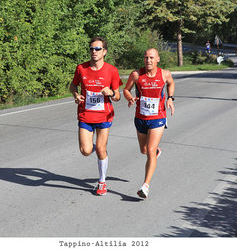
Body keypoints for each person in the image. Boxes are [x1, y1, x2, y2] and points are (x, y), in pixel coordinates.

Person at [69, 37, 122, 196]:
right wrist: (76, 95)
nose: (94, 51)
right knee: (85, 150)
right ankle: (96, 150)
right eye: (92, 48)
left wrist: (111, 93)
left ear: (104, 52)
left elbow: (118, 95)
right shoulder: (81, 68)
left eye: (98, 49)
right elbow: (73, 85)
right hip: (85, 115)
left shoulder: (111, 70)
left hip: (104, 115)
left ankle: (102, 181)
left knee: (100, 148)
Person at [123, 48, 175, 199]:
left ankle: (145, 186)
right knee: (144, 150)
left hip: (158, 117)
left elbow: (171, 83)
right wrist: (130, 98)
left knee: (150, 151)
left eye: (152, 58)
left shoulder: (164, 74)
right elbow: (126, 90)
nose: (148, 60)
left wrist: (170, 98)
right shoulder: (136, 75)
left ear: (158, 59)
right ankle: (156, 151)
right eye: (146, 58)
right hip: (140, 118)